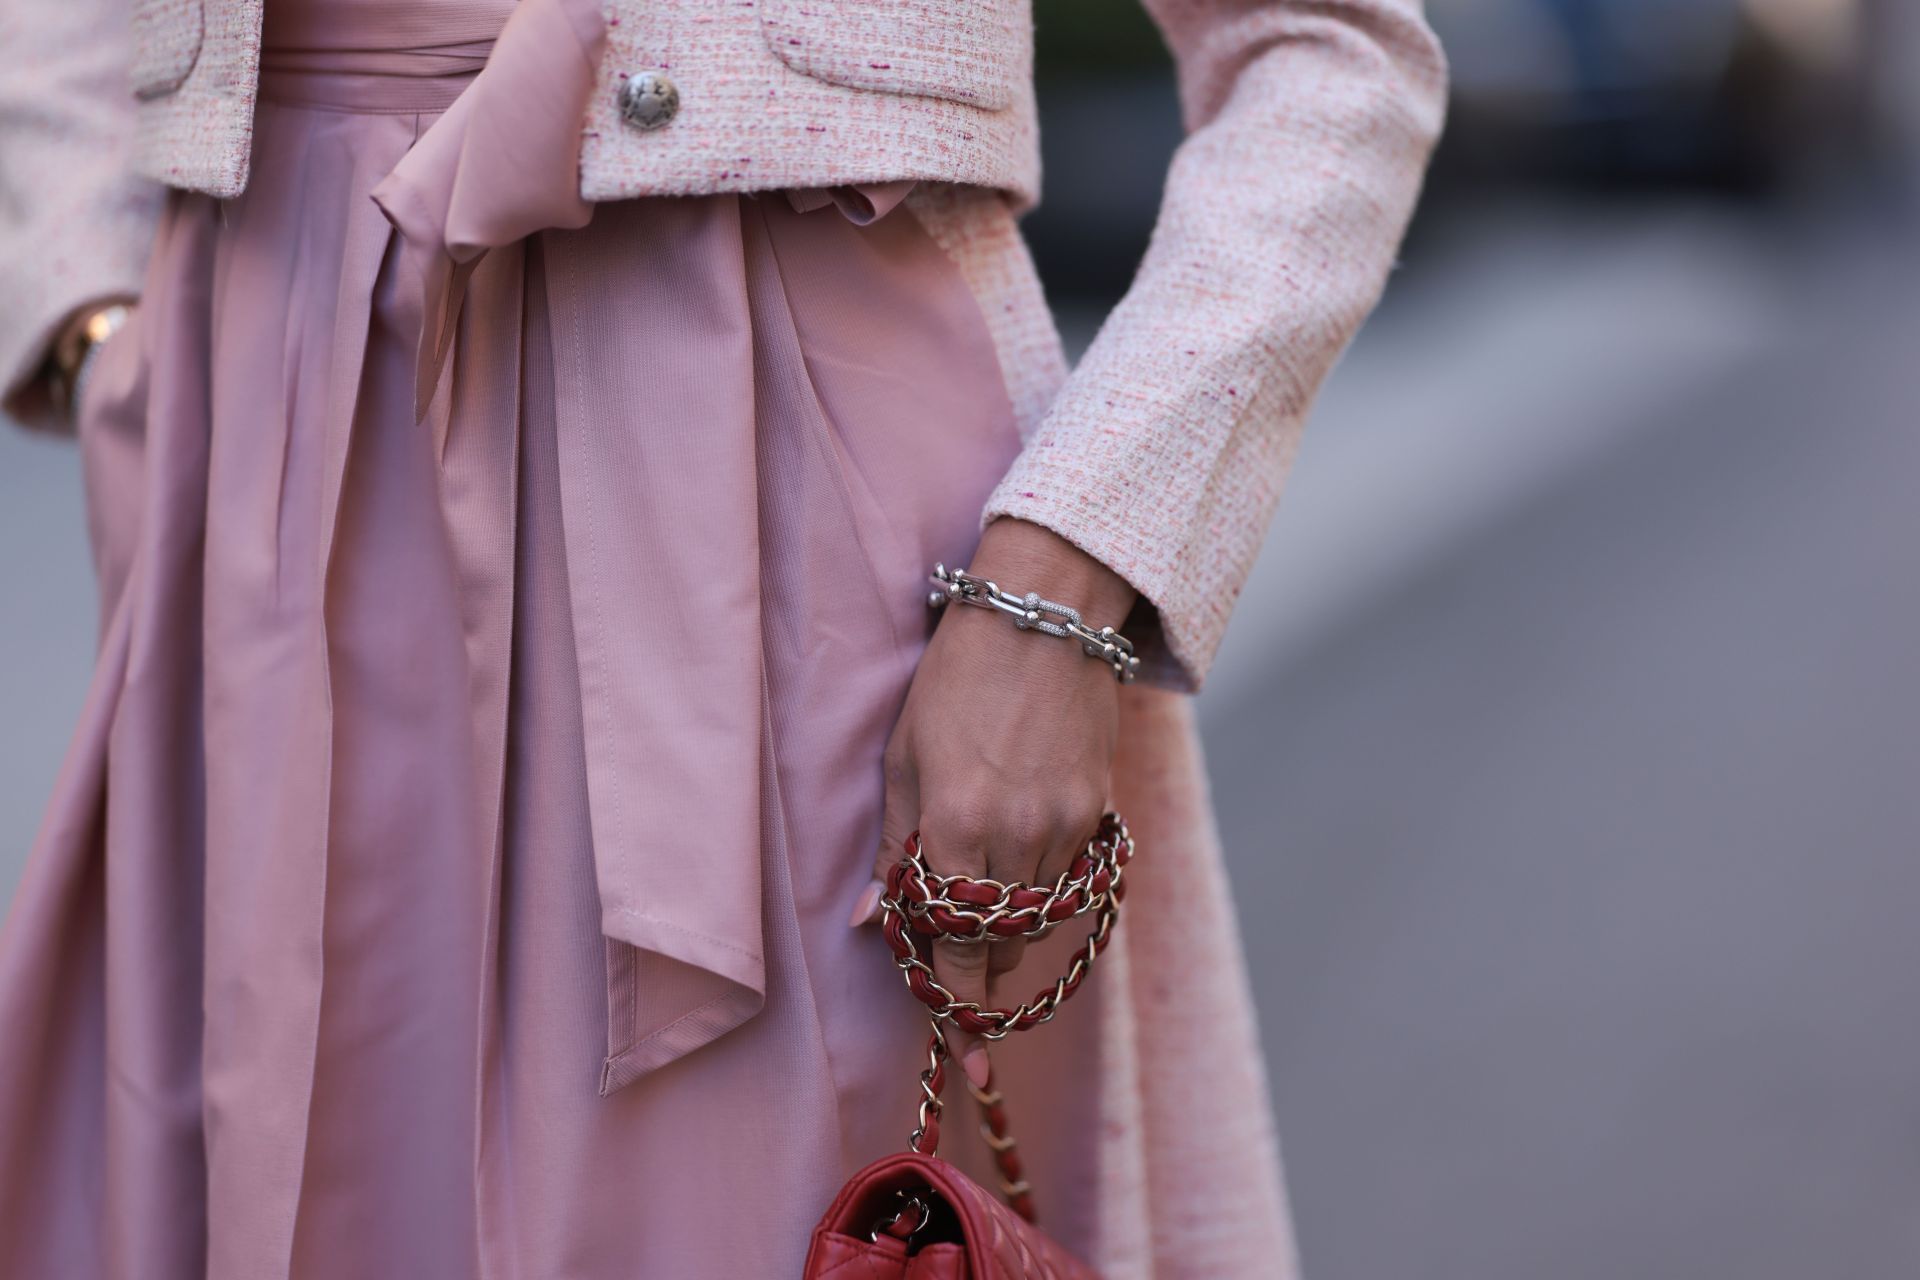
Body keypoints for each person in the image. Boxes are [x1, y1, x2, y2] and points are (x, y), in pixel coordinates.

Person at [0, 0, 1445, 1274]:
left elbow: (1327, 53)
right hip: (268, 444)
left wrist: (1068, 581)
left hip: (801, 498)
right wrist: (85, 307)